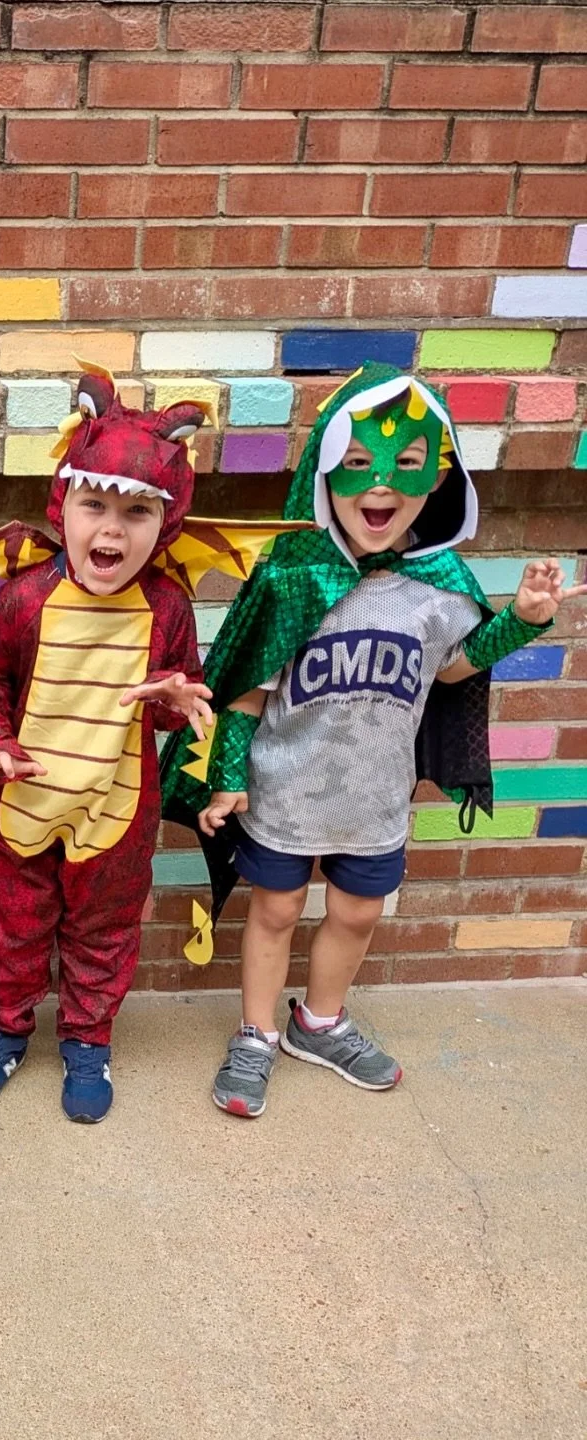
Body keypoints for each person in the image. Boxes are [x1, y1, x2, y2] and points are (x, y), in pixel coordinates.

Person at [159, 363, 585, 1118]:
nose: (378, 486)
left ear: (437, 479)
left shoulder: (438, 584)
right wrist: (227, 775)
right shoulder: (292, 577)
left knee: (358, 913)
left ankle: (318, 1023)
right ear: (326, 470)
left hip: (375, 799)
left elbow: (453, 672)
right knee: (277, 910)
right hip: (286, 793)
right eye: (357, 465)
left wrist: (522, 620)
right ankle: (256, 1034)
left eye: (403, 467)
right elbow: (245, 689)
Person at [0, 371, 211, 1122]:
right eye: (95, 505)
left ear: (165, 523)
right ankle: (3, 1030)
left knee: (102, 934)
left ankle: (89, 1039)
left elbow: (178, 699)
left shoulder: (168, 606)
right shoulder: (25, 596)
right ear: (63, 507)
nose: (112, 530)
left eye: (137, 513)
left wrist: (175, 701)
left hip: (116, 811)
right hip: (23, 802)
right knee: (14, 930)